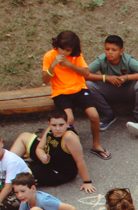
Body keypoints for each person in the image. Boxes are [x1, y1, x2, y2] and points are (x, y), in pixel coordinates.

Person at [42, 31, 109, 160]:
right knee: (69, 119)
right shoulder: (49, 56)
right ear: (56, 45)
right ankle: (69, 146)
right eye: (61, 49)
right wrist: (53, 65)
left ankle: (96, 145)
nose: (64, 52)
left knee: (94, 115)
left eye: (67, 50)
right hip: (61, 92)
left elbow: (86, 73)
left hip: (79, 89)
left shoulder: (76, 56)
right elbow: (45, 80)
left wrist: (68, 64)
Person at [8, 110, 96, 193]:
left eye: (61, 125)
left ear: (67, 123)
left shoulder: (69, 137)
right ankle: (6, 165)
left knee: (21, 176)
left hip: (57, 171)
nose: (57, 128)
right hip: (48, 160)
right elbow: (39, 148)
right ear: (49, 124)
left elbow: (80, 160)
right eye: (54, 125)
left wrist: (87, 182)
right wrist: (42, 157)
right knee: (24, 136)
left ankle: (6, 180)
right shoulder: (50, 129)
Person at [85, 35, 138, 131]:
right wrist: (105, 78)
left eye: (114, 50)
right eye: (107, 49)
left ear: (121, 51)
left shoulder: (128, 60)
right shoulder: (101, 60)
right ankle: (108, 115)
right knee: (88, 84)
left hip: (128, 90)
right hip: (110, 90)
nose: (110, 52)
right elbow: (84, 74)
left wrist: (126, 77)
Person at [0, 134, 31, 210]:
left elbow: (8, 187)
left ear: (1, 143)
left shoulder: (11, 160)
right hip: (5, 189)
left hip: (18, 192)